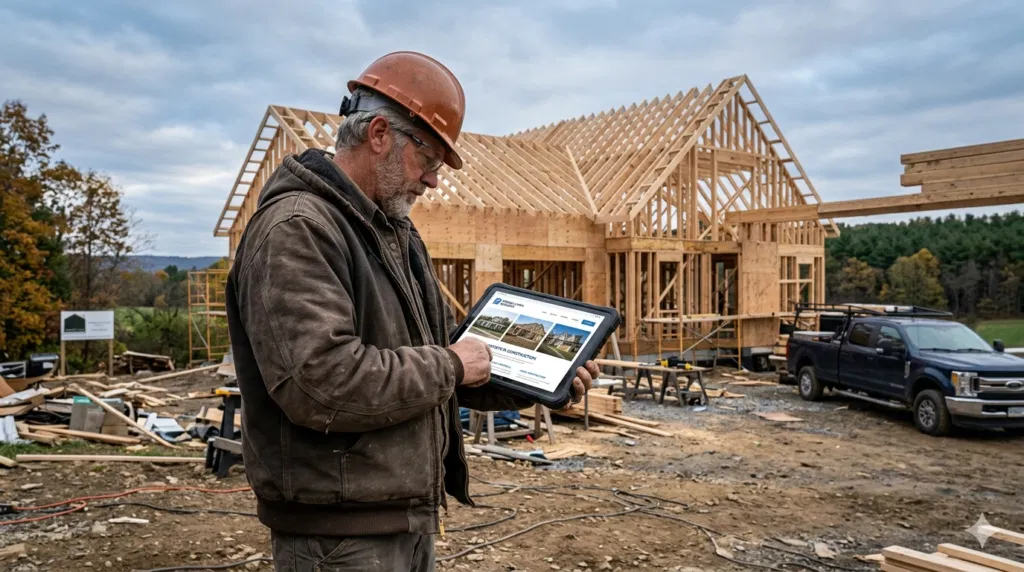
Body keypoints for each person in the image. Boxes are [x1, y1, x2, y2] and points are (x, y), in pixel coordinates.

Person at [224, 51, 601, 571]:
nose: (433, 180)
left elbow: (440, 362)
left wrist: (539, 380)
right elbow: (319, 383)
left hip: (401, 518)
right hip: (337, 539)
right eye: (428, 160)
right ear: (379, 133)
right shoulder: (298, 228)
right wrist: (452, 363)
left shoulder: (393, 231)